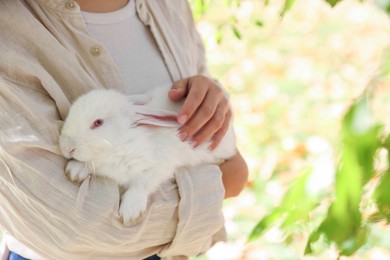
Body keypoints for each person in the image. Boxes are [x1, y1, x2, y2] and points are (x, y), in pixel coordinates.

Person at [0, 0, 248, 259]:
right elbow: (76, 226)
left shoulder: (170, 5)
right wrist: (221, 182)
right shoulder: (9, 31)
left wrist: (208, 106)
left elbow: (200, 79)